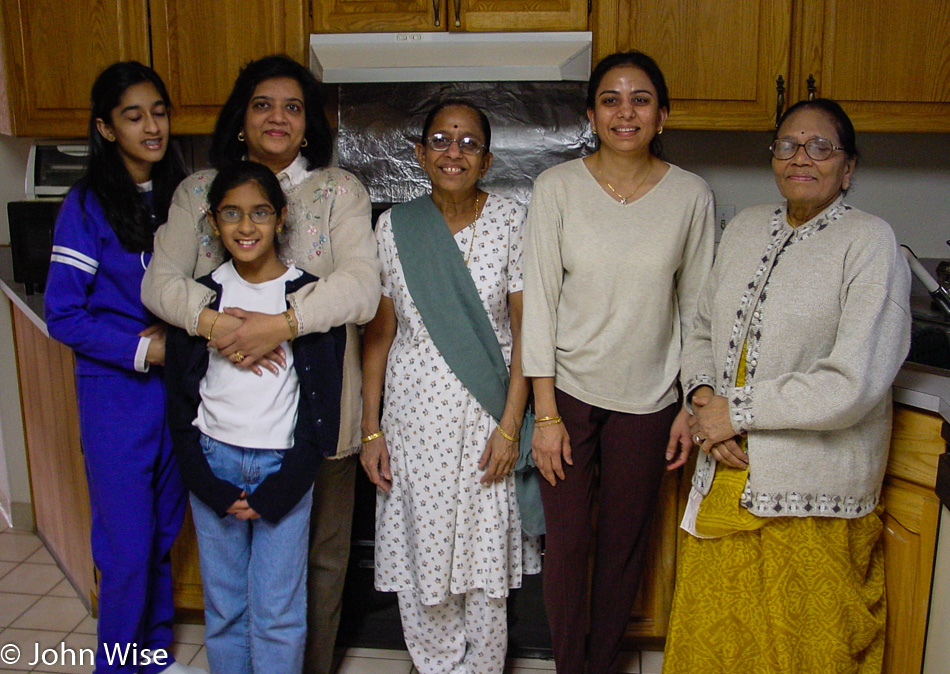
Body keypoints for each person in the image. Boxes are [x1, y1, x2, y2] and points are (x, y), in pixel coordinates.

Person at [140, 55, 380, 673]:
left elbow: (360, 288)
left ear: (308, 127)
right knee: (235, 582)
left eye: (293, 107)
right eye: (263, 105)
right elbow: (160, 284)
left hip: (323, 416)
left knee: (321, 563)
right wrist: (219, 324)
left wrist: (283, 324)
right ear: (240, 120)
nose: (278, 117)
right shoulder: (199, 191)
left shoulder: (338, 191)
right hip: (225, 420)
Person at [662, 98, 912, 673]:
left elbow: (854, 381)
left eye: (820, 147)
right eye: (787, 145)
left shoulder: (869, 242)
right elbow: (700, 328)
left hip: (812, 489)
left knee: (807, 651)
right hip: (723, 472)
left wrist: (737, 412)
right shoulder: (747, 226)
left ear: (848, 169)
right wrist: (703, 404)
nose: (801, 157)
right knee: (718, 647)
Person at [521, 51, 715, 673]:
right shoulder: (556, 189)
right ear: (591, 113)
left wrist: (692, 402)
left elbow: (697, 311)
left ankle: (599, 664)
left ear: (663, 114)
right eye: (610, 99)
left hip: (651, 403)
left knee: (623, 549)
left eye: (639, 99)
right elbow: (540, 306)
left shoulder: (691, 196)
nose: (624, 112)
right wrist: (544, 414)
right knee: (568, 547)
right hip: (569, 397)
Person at [360, 99, 540, 674]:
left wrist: (511, 428)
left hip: (487, 417)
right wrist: (371, 429)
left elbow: (526, 334)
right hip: (413, 420)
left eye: (467, 142)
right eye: (441, 139)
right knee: (422, 558)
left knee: (484, 568)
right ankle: (437, 667)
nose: (453, 152)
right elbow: (380, 337)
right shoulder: (394, 228)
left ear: (486, 159)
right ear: (419, 153)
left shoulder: (512, 221)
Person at [44, 62, 202, 674]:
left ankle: (153, 656)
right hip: (116, 396)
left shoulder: (180, 197)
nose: (151, 126)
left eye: (158, 112)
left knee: (162, 536)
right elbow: (64, 315)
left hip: (178, 395)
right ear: (106, 128)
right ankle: (117, 666)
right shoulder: (87, 205)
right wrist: (146, 350)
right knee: (128, 550)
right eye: (133, 116)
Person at [164, 161, 346, 673]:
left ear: (282, 218)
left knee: (278, 612)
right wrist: (209, 485)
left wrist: (283, 487)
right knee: (225, 610)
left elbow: (321, 407)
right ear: (213, 221)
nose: (246, 227)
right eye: (232, 214)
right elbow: (180, 405)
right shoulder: (199, 300)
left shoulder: (309, 298)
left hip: (283, 470)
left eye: (260, 213)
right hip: (213, 463)